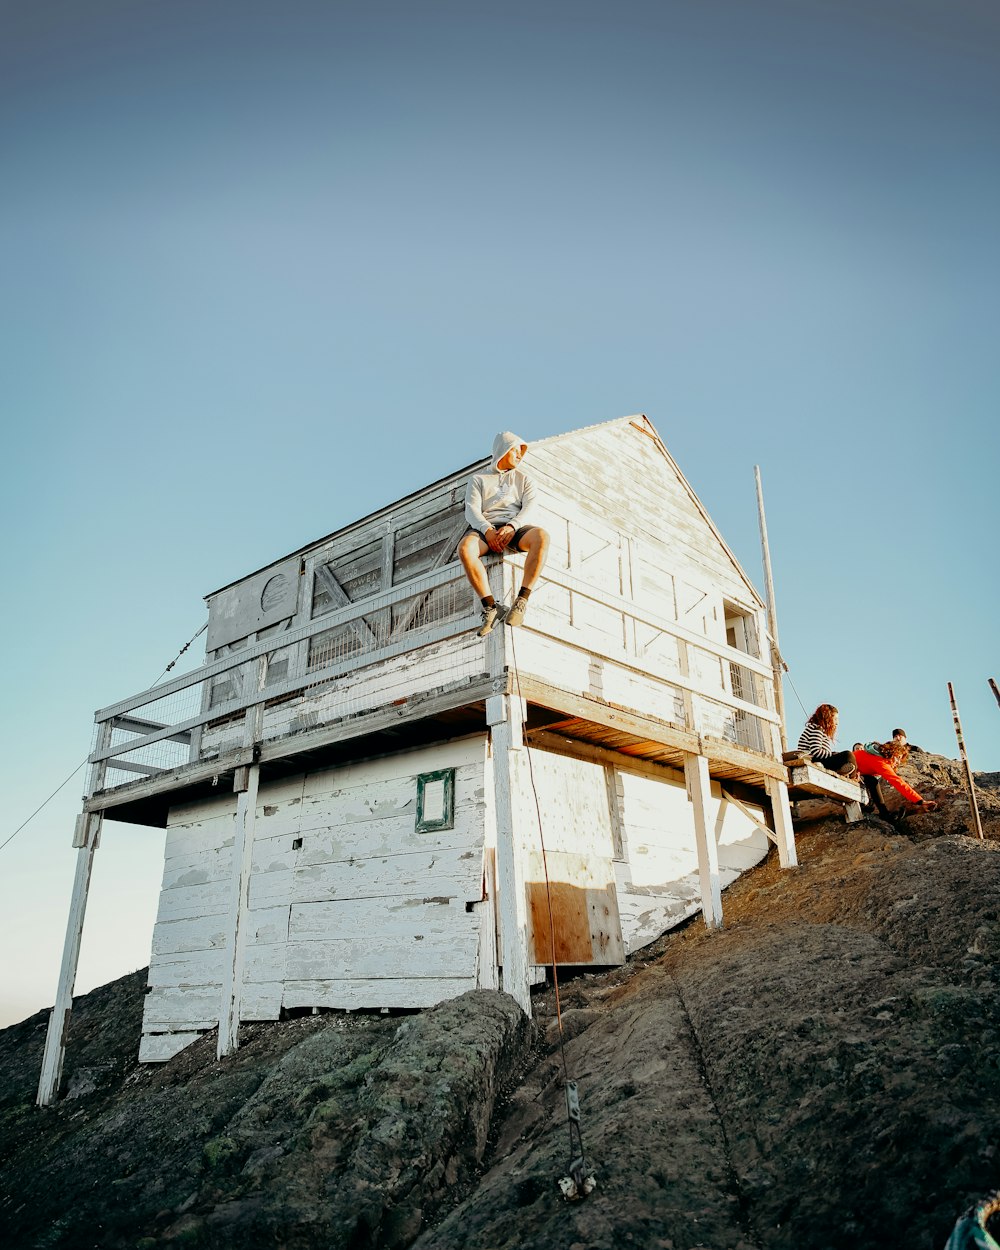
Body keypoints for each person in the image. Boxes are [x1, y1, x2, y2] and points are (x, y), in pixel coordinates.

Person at [459, 431, 550, 636]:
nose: (519, 456)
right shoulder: (478, 479)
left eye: (521, 453)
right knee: (465, 549)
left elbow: (530, 507)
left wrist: (512, 526)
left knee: (542, 537)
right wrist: (488, 531)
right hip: (485, 528)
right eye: (516, 451)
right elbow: (471, 509)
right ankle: (491, 607)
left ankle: (521, 600)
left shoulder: (524, 480)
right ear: (504, 450)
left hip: (514, 528)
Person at [854, 731, 937, 821]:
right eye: (898, 757)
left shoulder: (877, 757)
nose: (898, 762)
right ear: (892, 752)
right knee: (871, 780)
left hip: (856, 771)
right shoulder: (880, 762)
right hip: (842, 763)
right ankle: (883, 813)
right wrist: (920, 801)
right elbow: (898, 782)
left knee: (872, 781)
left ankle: (883, 813)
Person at [796, 704, 858, 776]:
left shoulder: (820, 730)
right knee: (848, 755)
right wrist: (832, 754)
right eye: (835, 719)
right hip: (813, 759)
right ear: (827, 718)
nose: (837, 723)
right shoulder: (817, 729)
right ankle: (852, 777)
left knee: (850, 760)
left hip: (820, 759)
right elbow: (816, 751)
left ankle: (845, 772)